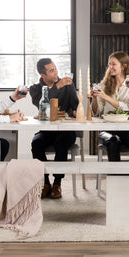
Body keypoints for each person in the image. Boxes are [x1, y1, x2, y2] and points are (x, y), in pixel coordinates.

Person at [29, 58, 79, 199]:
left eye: (55, 68)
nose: (56, 72)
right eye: (51, 71)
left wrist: (75, 111)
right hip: (47, 130)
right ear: (42, 75)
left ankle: (57, 184)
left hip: (66, 130)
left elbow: (74, 105)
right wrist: (57, 87)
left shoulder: (68, 85)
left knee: (61, 143)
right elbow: (41, 104)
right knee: (36, 143)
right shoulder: (35, 89)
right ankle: (45, 182)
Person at [91, 51, 129, 162]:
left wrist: (106, 97)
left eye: (113, 64)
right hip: (108, 128)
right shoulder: (104, 85)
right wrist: (95, 98)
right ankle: (114, 176)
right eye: (109, 64)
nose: (110, 67)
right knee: (113, 140)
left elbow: (128, 108)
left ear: (124, 66)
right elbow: (96, 111)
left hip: (128, 127)